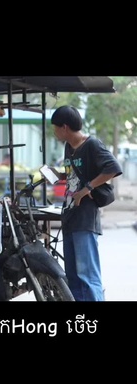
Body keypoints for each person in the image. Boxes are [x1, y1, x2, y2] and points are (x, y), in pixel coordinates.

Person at [50, 105, 122, 301]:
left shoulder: (91, 145)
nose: (54, 132)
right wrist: (57, 174)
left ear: (64, 127)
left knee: (87, 276)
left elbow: (113, 168)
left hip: (85, 217)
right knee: (72, 276)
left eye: (55, 127)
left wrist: (87, 189)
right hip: (70, 214)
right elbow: (72, 174)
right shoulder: (68, 147)